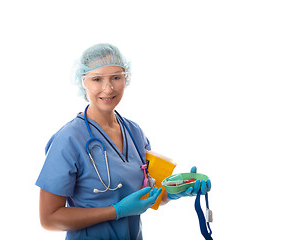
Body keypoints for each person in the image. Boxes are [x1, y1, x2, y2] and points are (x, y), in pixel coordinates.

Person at [36, 43, 211, 240]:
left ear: (126, 78)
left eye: (116, 77)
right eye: (97, 79)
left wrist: (174, 190)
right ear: (83, 82)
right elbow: (49, 218)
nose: (108, 88)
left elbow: (147, 194)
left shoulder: (134, 132)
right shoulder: (68, 140)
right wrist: (116, 211)